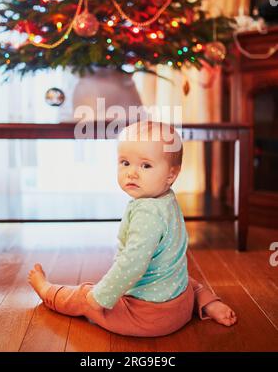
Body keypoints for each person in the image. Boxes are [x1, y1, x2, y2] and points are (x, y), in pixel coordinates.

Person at [28, 120, 237, 337]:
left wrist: (101, 297)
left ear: (171, 175)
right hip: (180, 303)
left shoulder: (147, 213)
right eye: (125, 162)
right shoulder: (166, 199)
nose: (132, 173)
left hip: (148, 317)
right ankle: (208, 303)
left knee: (86, 295)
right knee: (181, 278)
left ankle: (48, 291)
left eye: (145, 165)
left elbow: (132, 265)